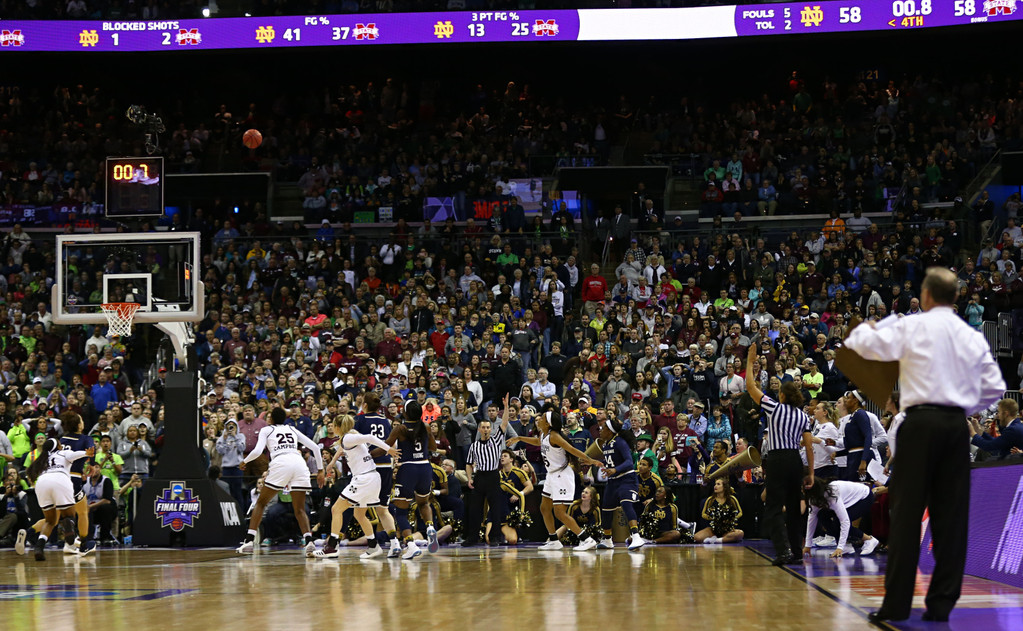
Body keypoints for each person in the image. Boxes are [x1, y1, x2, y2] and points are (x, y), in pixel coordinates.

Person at [843, 267, 1005, 624]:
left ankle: (897, 605)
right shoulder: (970, 336)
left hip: (917, 423)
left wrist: (879, 325)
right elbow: (995, 388)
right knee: (951, 517)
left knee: (905, 517)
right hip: (954, 425)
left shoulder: (911, 325)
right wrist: (962, 407)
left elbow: (859, 345)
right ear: (956, 297)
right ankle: (942, 605)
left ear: (927, 296)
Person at [746, 345, 814, 566]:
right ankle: (795, 551)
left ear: (782, 395)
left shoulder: (774, 408)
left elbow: (749, 387)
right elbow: (809, 447)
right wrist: (810, 473)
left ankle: (783, 551)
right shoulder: (804, 417)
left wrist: (749, 363)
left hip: (777, 459)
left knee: (773, 508)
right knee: (795, 507)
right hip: (795, 460)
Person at [507, 407, 602, 551]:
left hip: (562, 476)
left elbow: (572, 449)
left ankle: (586, 539)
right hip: (552, 475)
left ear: (549, 423)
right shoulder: (545, 434)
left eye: (543, 418)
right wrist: (520, 438)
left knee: (559, 513)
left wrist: (590, 460)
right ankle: (553, 540)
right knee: (544, 508)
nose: (540, 420)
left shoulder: (555, 436)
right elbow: (538, 442)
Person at [237, 407, 325, 556]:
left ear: (270, 420)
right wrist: (321, 470)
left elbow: (258, 451)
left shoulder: (267, 430)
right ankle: (309, 541)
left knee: (261, 502)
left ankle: (249, 541)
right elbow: (315, 447)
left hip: (281, 462)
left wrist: (245, 461)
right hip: (298, 463)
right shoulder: (292, 429)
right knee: (300, 509)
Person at [316, 414, 399, 559]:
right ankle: (373, 546)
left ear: (337, 427)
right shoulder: (350, 437)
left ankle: (332, 547)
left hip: (364, 479)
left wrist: (388, 449)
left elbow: (370, 438)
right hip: (372, 477)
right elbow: (342, 449)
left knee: (336, 509)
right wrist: (331, 463)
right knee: (359, 514)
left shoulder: (349, 438)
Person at [380, 399, 437, 559]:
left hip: (408, 469)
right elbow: (432, 448)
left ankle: (410, 544)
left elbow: (386, 447)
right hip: (425, 467)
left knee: (401, 512)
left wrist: (368, 454)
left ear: (405, 413)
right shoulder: (425, 427)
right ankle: (430, 528)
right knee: (424, 503)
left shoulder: (401, 428)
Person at [22, 437, 93, 561]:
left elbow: (29, 473)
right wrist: (86, 453)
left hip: (42, 483)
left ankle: (39, 546)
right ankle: (69, 533)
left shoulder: (43, 458)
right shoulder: (63, 452)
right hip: (60, 480)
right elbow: (75, 455)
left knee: (50, 521)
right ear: (58, 446)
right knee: (69, 515)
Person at [355, 392, 403, 557]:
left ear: (365, 405)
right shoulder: (386, 421)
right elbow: (391, 443)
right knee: (383, 509)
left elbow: (353, 442)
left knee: (358, 510)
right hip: (386, 466)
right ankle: (395, 543)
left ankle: (372, 545)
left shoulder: (360, 420)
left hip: (369, 468)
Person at [463, 393, 513, 547]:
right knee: (475, 509)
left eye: (487, 427)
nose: (485, 429)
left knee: (496, 508)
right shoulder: (474, 445)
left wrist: (505, 408)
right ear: (479, 429)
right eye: (483, 427)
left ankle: (495, 537)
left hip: (492, 476)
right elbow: (469, 463)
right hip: (480, 477)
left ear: (491, 429)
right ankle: (472, 537)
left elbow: (504, 423)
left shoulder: (497, 439)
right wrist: (470, 478)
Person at [595, 417, 646, 551]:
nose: (600, 430)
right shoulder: (605, 444)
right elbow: (611, 461)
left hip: (626, 479)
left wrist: (615, 469)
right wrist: (601, 464)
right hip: (613, 481)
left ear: (610, 431)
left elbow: (629, 462)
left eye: (603, 428)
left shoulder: (620, 442)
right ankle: (607, 540)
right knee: (606, 509)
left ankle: (636, 536)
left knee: (626, 503)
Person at [801, 476, 880, 558]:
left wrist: (840, 547)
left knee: (838, 522)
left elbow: (845, 521)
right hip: (848, 500)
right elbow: (811, 520)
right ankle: (846, 546)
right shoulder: (813, 498)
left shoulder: (832, 493)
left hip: (864, 497)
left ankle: (869, 540)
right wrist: (808, 545)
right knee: (822, 515)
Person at [58, 411, 95, 555]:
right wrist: (91, 464)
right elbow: (91, 450)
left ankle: (33, 533)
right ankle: (84, 544)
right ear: (79, 425)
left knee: (54, 517)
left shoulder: (61, 440)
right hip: (73, 478)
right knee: (83, 511)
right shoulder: (85, 438)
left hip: (58, 478)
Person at [695, 478, 744, 544]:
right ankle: (720, 539)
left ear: (724, 487)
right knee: (697, 537)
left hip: (727, 529)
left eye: (718, 484)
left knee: (740, 533)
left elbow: (740, 512)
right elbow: (703, 514)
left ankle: (717, 540)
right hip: (713, 529)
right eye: (715, 484)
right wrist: (714, 518)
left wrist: (730, 519)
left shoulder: (731, 498)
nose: (715, 486)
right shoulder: (710, 499)